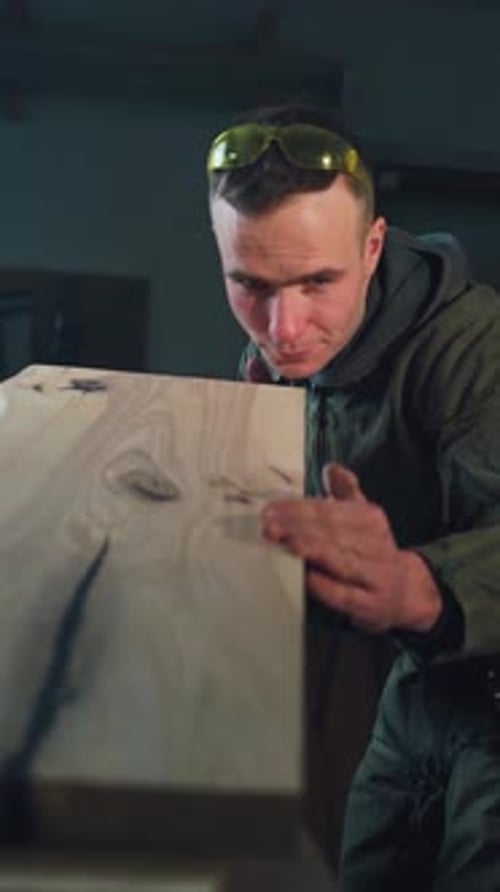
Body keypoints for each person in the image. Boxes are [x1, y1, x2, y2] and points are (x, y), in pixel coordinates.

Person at [206, 103, 500, 891]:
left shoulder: (475, 350)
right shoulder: (284, 348)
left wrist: (422, 585)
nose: (285, 326)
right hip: (418, 689)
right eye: (250, 285)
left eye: (317, 282)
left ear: (372, 249)